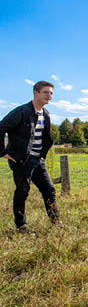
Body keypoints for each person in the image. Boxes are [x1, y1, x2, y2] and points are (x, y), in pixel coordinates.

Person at [0, 81, 60, 233]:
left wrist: (42, 156)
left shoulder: (45, 114)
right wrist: (3, 152)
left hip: (38, 159)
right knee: (23, 191)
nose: (50, 96)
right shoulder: (22, 111)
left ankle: (56, 222)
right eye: (46, 92)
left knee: (49, 189)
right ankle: (21, 226)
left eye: (51, 93)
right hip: (21, 160)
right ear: (36, 93)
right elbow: (2, 127)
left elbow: (44, 137)